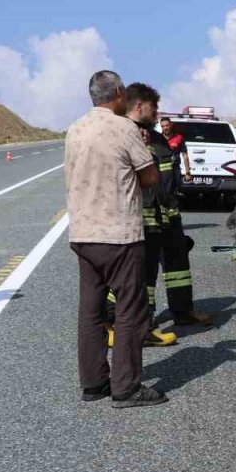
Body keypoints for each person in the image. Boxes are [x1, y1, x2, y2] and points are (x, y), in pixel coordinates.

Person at [64, 70, 166, 409]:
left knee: (91, 310)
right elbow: (149, 177)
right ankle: (126, 387)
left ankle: (93, 383)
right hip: (119, 233)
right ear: (119, 93)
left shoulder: (75, 129)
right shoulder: (125, 128)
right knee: (129, 310)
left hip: (83, 231)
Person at [126, 85, 212, 330]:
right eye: (154, 107)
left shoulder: (156, 138)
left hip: (169, 213)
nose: (158, 113)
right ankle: (145, 323)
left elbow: (166, 175)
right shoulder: (126, 135)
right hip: (144, 217)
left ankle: (183, 311)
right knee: (146, 270)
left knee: (178, 264)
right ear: (139, 105)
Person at [160, 116, 193, 182]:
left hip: (174, 169)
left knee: (174, 190)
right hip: (161, 171)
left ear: (171, 125)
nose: (165, 128)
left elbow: (185, 155)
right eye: (163, 126)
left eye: (167, 126)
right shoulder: (158, 138)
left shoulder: (179, 138)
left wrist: (187, 172)